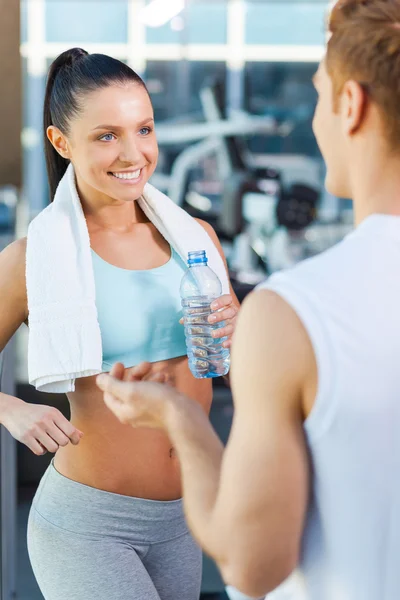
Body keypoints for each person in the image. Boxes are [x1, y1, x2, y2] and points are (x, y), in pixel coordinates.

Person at [96, 1, 400, 599]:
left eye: (318, 95)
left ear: (350, 103)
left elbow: (252, 564)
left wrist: (178, 416)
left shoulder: (295, 312)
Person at [0, 48, 240, 600]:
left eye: (144, 129)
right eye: (107, 135)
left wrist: (243, 328)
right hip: (89, 522)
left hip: (185, 517)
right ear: (62, 143)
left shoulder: (196, 240)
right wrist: (12, 410)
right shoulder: (35, 257)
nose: (134, 153)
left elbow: (240, 368)